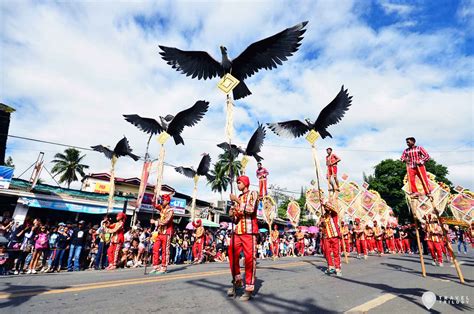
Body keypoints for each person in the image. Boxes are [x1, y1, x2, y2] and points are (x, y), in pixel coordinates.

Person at [227, 175, 259, 301]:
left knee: (249, 260)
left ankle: (249, 289)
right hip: (238, 232)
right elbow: (236, 220)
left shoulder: (253, 193)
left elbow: (251, 209)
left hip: (250, 233)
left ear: (245, 183)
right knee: (231, 253)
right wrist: (231, 214)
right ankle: (237, 280)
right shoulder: (238, 198)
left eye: (239, 182)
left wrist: (238, 202)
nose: (237, 185)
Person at [150, 194, 174, 275]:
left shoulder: (170, 210)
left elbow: (166, 221)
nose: (162, 201)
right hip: (160, 232)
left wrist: (155, 222)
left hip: (167, 233)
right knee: (155, 248)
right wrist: (153, 200)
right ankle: (156, 266)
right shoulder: (161, 208)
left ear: (167, 201)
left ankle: (164, 267)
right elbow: (155, 206)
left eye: (163, 200)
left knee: (165, 250)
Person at [320, 201, 342, 276]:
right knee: (327, 252)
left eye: (327, 207)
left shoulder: (334, 214)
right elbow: (320, 226)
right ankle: (331, 266)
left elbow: (333, 209)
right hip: (326, 237)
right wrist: (321, 224)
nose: (325, 208)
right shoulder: (323, 216)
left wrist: (324, 204)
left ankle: (338, 268)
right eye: (324, 207)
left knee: (336, 252)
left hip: (334, 236)